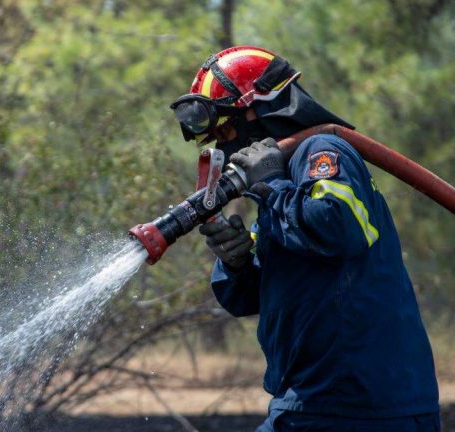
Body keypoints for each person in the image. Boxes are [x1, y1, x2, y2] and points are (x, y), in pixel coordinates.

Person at [170, 46, 440, 431]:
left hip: (357, 403)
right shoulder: (283, 187)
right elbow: (251, 299)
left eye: (227, 131)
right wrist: (237, 262)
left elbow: (339, 225)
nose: (226, 148)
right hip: (319, 399)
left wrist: (270, 184)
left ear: (261, 111)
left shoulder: (322, 150)